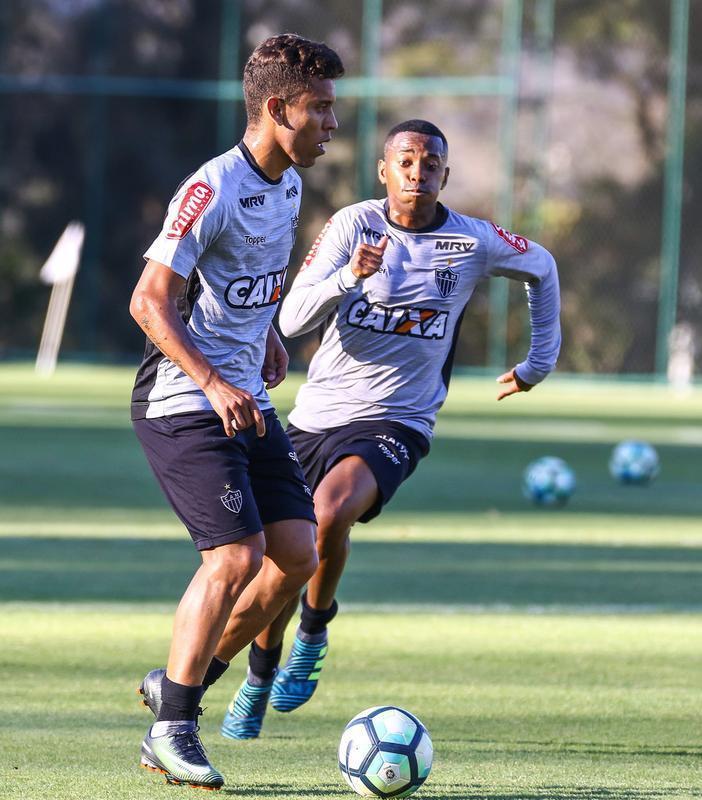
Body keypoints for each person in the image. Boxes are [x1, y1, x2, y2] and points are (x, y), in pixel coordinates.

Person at [215, 118, 562, 739]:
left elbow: (543, 265)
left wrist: (539, 362)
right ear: (384, 170)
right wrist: (351, 274)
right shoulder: (353, 225)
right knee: (285, 553)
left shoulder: (473, 239)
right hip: (316, 416)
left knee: (327, 513)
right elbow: (291, 318)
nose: (417, 171)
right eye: (405, 160)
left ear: (444, 176)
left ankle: (314, 630)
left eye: (431, 163)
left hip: (399, 418)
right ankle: (261, 672)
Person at [129, 33, 343, 789]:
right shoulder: (210, 187)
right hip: (184, 400)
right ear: (278, 108)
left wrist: (268, 340)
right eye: (319, 108)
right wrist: (217, 380)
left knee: (297, 555)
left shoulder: (287, 184)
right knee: (233, 558)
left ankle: (177, 684)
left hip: (246, 394)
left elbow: (248, 283)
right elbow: (149, 301)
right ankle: (173, 728)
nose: (332, 123)